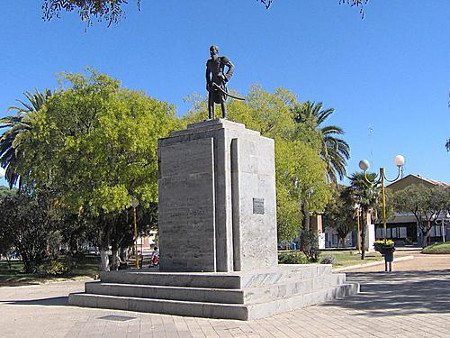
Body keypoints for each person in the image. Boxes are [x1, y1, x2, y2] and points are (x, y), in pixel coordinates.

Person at [206, 45, 235, 120]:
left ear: (217, 51)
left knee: (222, 99)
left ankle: (225, 116)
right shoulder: (209, 62)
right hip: (213, 83)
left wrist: (226, 76)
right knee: (211, 100)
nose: (212, 51)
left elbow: (232, 66)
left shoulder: (222, 59)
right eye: (211, 50)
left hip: (220, 82)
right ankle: (210, 117)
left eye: (213, 50)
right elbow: (207, 73)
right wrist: (208, 83)